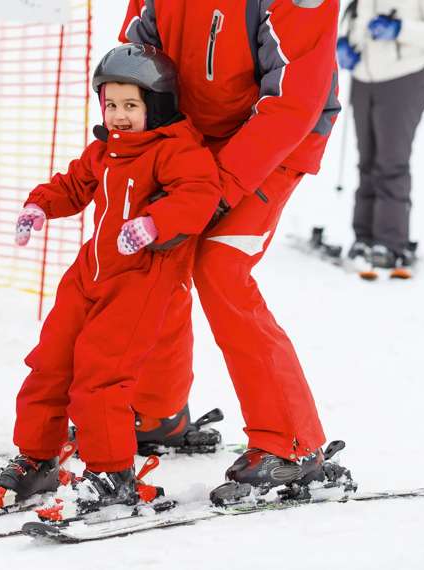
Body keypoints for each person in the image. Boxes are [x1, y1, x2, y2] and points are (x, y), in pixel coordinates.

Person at [0, 44, 222, 513]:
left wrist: (154, 223)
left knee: (100, 377)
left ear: (158, 105)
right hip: (91, 272)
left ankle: (112, 474)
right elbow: (74, 184)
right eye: (111, 104)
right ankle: (38, 457)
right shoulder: (105, 150)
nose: (119, 116)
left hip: (142, 279)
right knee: (49, 363)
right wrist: (39, 205)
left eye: (131, 105)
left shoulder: (176, 150)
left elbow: (199, 194)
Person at [118, 0, 343, 504]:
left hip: (275, 141)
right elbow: (136, 64)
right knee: (156, 248)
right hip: (189, 136)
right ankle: (157, 411)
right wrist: (140, 157)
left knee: (219, 265)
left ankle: (293, 443)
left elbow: (293, 101)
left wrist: (214, 191)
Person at [337, 0, 424, 276]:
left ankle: (390, 243)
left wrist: (400, 29)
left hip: (405, 76)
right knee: (366, 161)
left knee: (391, 162)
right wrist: (344, 42)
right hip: (364, 78)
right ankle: (363, 238)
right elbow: (355, 16)